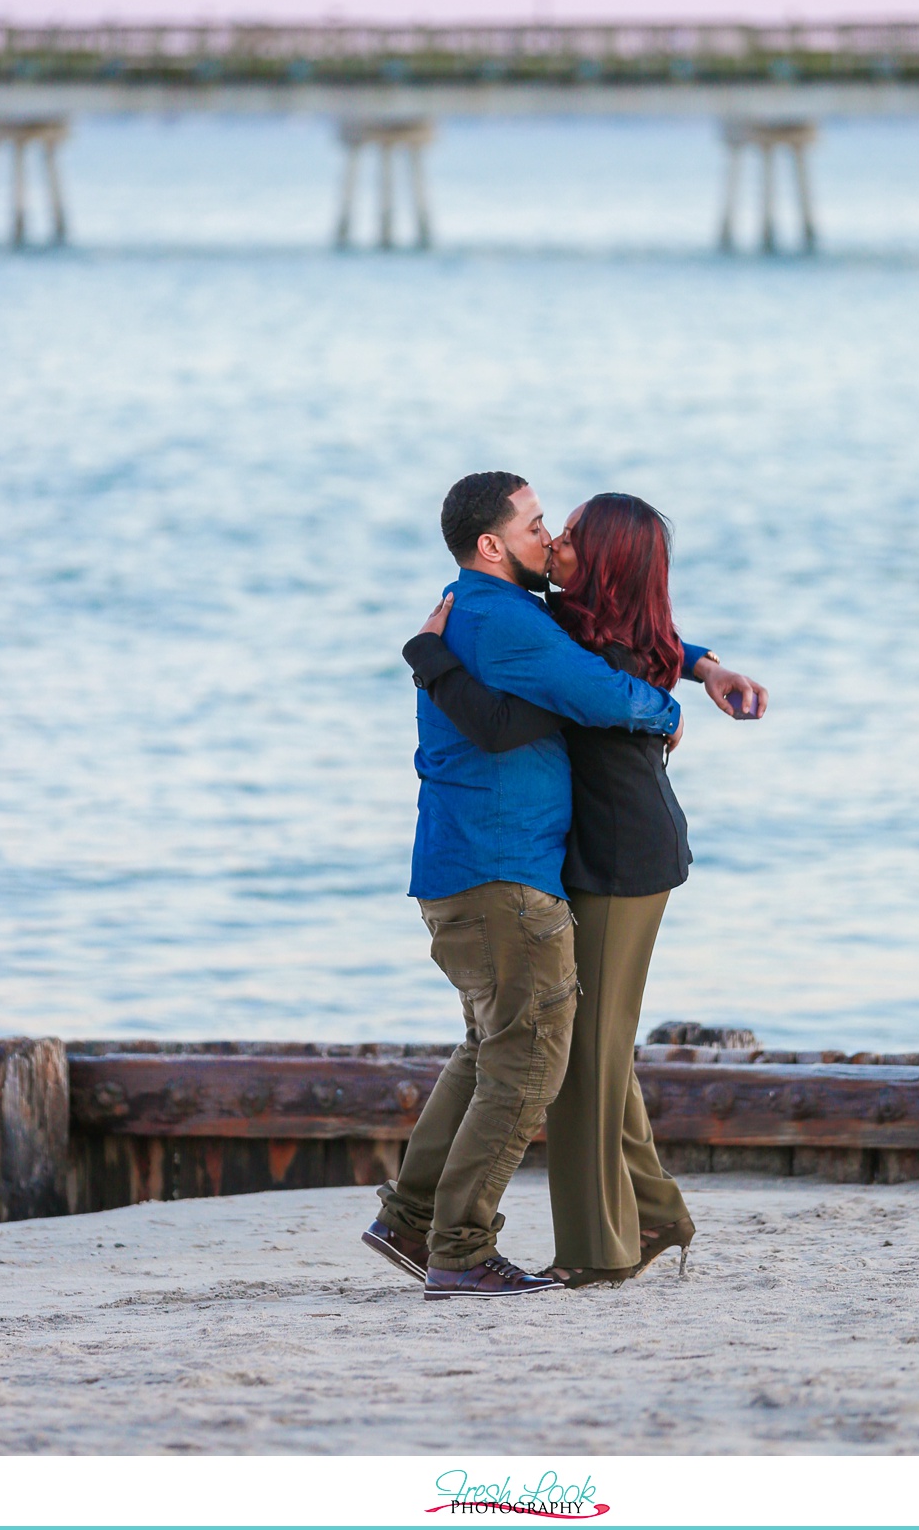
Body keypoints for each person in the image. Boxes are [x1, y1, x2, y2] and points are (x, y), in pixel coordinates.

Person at [361, 471, 760, 1300]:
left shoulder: (506, 613)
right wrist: (673, 707)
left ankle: (466, 1226)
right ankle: (468, 1240)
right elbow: (603, 686)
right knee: (542, 1058)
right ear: (492, 545)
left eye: (564, 529)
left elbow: (611, 653)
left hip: (577, 862)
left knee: (541, 1052)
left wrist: (700, 667)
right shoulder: (516, 624)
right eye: (542, 525)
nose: (553, 539)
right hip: (514, 871)